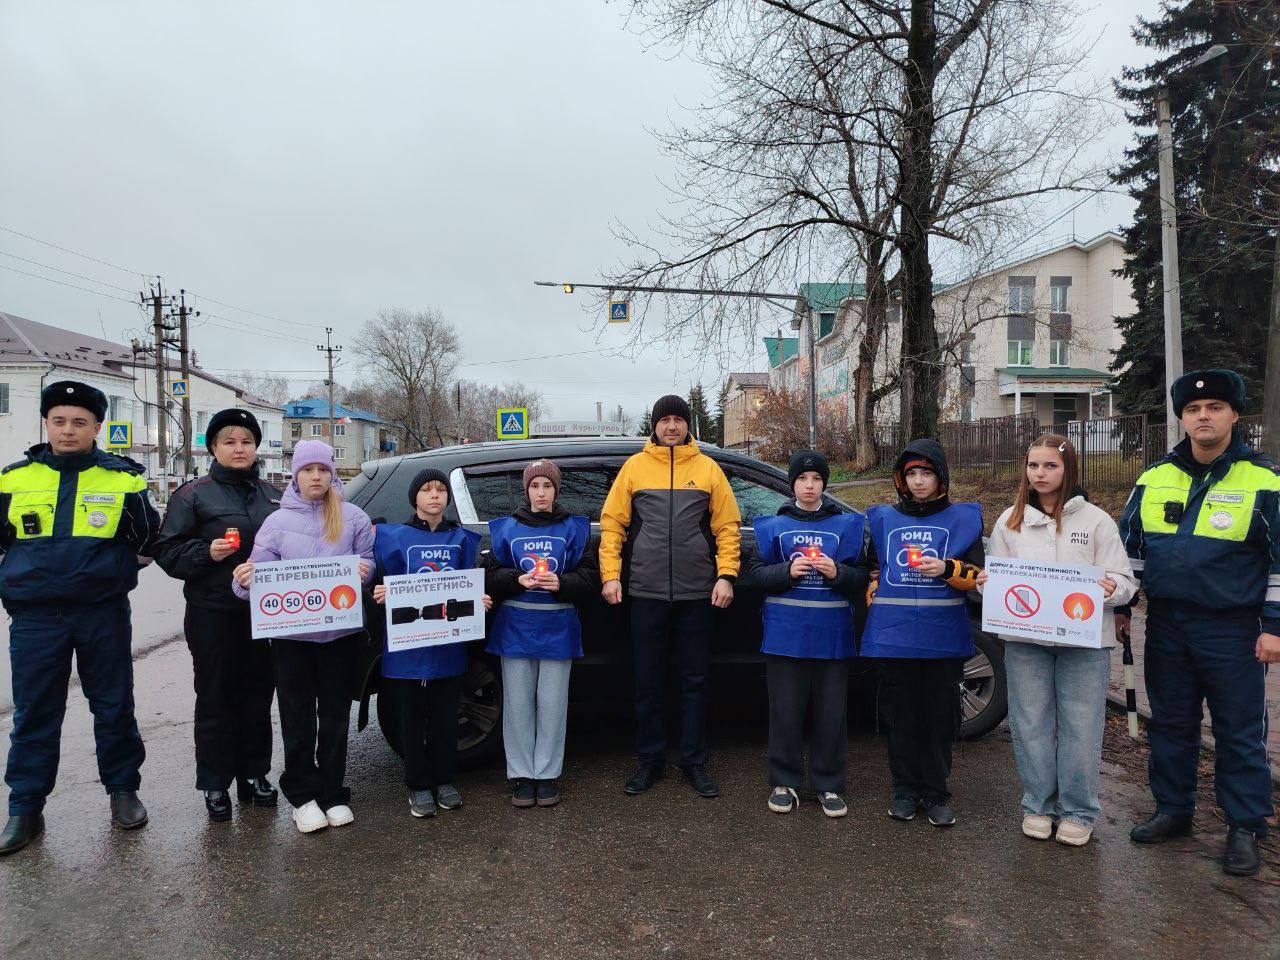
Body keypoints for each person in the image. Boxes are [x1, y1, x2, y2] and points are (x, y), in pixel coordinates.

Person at [1119, 369, 1280, 876]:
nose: (1203, 416)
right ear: (1181, 418)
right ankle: (1173, 810)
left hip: (1233, 628)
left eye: (1213, 407)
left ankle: (1245, 825)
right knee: (1171, 724)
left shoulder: (1265, 479)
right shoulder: (1154, 478)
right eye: (1193, 410)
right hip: (1165, 624)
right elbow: (1131, 554)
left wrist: (1274, 626)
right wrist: (1123, 607)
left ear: (1234, 414)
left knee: (1238, 732)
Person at [0, 380, 161, 855]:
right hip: (35, 617)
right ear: (46, 423)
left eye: (79, 422)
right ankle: (25, 809)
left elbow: (147, 541)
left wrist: (109, 570)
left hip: (101, 614)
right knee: (34, 713)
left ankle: (122, 791)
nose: (68, 430)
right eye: (59, 421)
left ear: (96, 427)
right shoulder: (13, 478)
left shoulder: (123, 478)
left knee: (112, 705)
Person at [979, 435, 1136, 846]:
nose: (1040, 474)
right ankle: (1038, 805)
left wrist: (1109, 589)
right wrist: (986, 584)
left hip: (1084, 642)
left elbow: (1125, 581)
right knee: (1029, 722)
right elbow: (998, 581)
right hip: (1025, 640)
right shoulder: (1009, 521)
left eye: (1050, 466)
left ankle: (1079, 811)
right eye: (1034, 466)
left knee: (1081, 726)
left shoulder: (1096, 521)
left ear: (1068, 469)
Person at [600, 395, 742, 799]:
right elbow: (612, 527)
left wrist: (727, 575)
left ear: (687, 425)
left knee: (695, 681)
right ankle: (650, 761)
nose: (672, 427)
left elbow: (728, 528)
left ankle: (694, 763)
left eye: (679, 419)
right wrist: (611, 576)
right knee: (647, 681)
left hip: (698, 594)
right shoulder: (635, 468)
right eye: (666, 420)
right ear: (655, 425)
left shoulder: (708, 468)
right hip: (644, 592)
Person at [232, 440, 374, 835]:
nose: (316, 476)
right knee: (297, 720)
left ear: (332, 474)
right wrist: (244, 581)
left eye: (323, 470)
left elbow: (369, 562)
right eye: (308, 470)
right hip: (292, 642)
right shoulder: (276, 523)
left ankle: (332, 792)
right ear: (295, 474)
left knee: (333, 719)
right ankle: (301, 794)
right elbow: (256, 578)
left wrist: (365, 571)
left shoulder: (354, 517)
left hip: (339, 638)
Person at [153, 409, 282, 823]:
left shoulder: (272, 494)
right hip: (213, 613)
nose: (239, 448)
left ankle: (254, 775)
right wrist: (205, 553)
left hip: (266, 613)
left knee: (259, 694)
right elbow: (167, 551)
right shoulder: (194, 495)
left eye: (246, 441)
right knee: (215, 696)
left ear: (256, 446)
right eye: (229, 441)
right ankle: (214, 781)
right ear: (213, 447)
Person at [860, 439, 984, 828]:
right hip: (894, 640)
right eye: (911, 473)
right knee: (900, 718)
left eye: (926, 473)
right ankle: (904, 791)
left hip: (942, 641)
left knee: (939, 720)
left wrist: (948, 570)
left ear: (940, 477)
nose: (918, 481)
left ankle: (935, 793)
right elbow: (872, 570)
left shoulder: (964, 521)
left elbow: (980, 578)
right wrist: (874, 593)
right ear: (901, 478)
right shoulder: (882, 519)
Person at [742, 450, 867, 818]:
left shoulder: (845, 525)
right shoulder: (772, 526)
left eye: (816, 480)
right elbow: (756, 575)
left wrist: (838, 574)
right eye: (801, 479)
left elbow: (860, 578)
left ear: (824, 485)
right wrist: (786, 572)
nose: (809, 486)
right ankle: (785, 782)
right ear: (792, 484)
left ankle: (829, 785)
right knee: (785, 711)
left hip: (832, 636)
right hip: (785, 636)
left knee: (831, 714)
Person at [371, 468, 491, 819]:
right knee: (409, 718)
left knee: (445, 716)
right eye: (427, 490)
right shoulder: (394, 537)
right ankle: (417, 784)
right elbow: (377, 580)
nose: (435, 495)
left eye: (440, 489)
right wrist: (378, 591)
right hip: (408, 648)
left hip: (447, 647)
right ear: (415, 499)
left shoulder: (461, 539)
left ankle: (444, 779)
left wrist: (478, 601)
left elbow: (469, 586)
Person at [483, 459, 597, 808]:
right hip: (515, 630)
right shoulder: (507, 528)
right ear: (526, 489)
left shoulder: (575, 529)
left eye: (547, 486)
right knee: (518, 707)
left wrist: (562, 582)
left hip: (558, 631)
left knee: (552, 706)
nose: (541, 492)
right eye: (535, 486)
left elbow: (589, 579)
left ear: (555, 490)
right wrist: (514, 579)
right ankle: (521, 775)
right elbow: (488, 575)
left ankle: (546, 775)